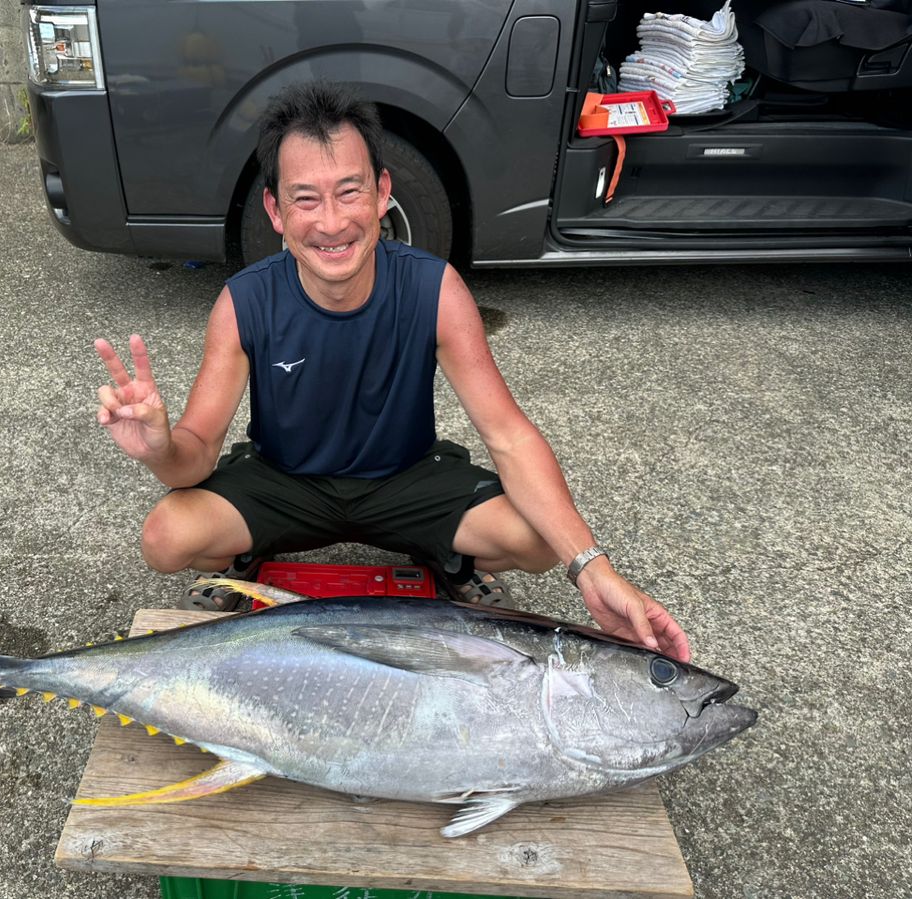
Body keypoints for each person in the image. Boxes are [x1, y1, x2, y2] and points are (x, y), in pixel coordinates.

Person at [95, 81, 690, 663]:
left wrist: (592, 568)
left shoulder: (435, 290)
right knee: (166, 537)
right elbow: (195, 455)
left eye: (349, 192)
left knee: (538, 538)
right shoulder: (244, 302)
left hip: (407, 481)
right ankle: (244, 555)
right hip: (285, 482)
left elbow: (509, 435)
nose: (331, 222)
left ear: (382, 193)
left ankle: (451, 561)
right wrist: (158, 446)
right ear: (275, 210)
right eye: (305, 198)